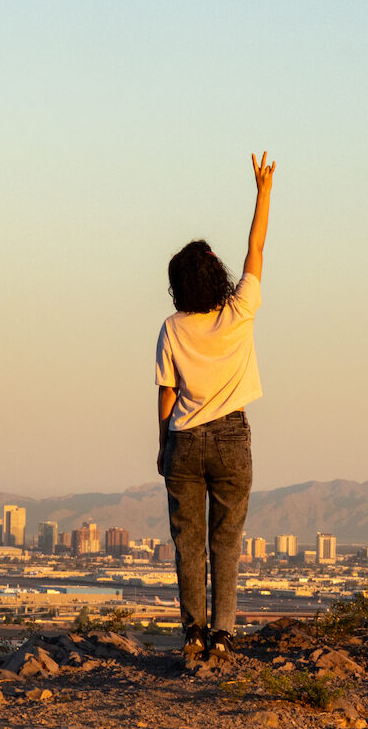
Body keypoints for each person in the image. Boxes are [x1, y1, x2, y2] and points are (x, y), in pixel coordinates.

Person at [155, 151, 274, 662]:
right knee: (227, 540)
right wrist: (262, 191)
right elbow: (257, 249)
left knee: (189, 544)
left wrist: (163, 447)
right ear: (217, 276)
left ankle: (195, 634)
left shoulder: (172, 327)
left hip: (184, 439)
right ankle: (223, 636)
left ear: (178, 285)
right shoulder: (240, 310)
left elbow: (165, 393)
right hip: (230, 438)